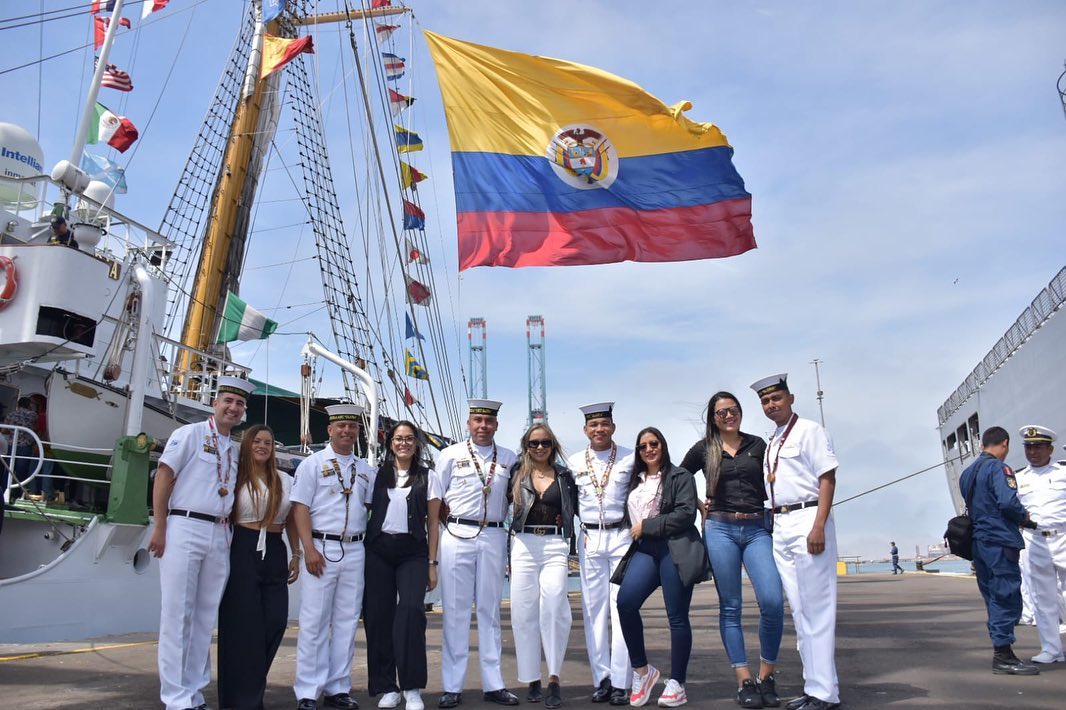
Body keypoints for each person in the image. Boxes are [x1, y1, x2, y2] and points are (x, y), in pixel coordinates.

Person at [149, 375, 255, 710]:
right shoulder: (190, 434)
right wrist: (160, 527)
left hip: (220, 532)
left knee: (205, 618)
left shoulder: (234, 449)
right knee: (177, 614)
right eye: (228, 401)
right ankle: (175, 697)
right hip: (185, 525)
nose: (233, 408)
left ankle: (194, 691)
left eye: (239, 404)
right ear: (215, 402)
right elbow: (164, 476)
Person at [681, 391, 783, 709]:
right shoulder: (704, 449)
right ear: (713, 418)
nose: (728, 416)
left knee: (772, 600)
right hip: (720, 528)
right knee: (731, 606)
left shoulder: (757, 446)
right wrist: (699, 505)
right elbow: (678, 477)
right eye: (722, 412)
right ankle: (744, 680)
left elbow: (776, 482)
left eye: (733, 410)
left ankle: (767, 676)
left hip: (756, 528)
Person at [751, 373, 839, 710]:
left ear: (790, 398)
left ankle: (826, 693)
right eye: (765, 401)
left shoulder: (810, 431)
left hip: (808, 518)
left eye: (776, 399)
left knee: (818, 609)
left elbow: (827, 477)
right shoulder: (773, 440)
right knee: (800, 611)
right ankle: (814, 686)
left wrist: (818, 526)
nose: (771, 405)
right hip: (781, 522)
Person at [428, 399, 520, 709]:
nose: (483, 426)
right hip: (457, 534)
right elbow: (436, 500)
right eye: (477, 420)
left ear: (496, 425)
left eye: (488, 421)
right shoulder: (449, 455)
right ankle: (452, 686)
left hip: (493, 534)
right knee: (454, 612)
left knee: (490, 612)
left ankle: (494, 684)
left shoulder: (508, 458)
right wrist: (449, 528)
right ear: (468, 424)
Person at [614, 427, 708, 708]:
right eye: (642, 447)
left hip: (674, 547)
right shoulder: (637, 480)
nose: (648, 450)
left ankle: (677, 682)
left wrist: (647, 526)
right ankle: (643, 671)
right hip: (645, 549)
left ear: (663, 445)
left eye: (653, 444)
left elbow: (684, 514)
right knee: (625, 603)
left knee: (676, 615)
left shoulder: (680, 476)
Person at [291, 403, 376, 710]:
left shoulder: (366, 470)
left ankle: (338, 687)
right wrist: (307, 550)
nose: (346, 431)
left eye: (352, 426)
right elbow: (299, 506)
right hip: (321, 548)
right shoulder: (312, 465)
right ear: (329, 430)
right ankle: (308, 691)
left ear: (357, 431)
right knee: (314, 622)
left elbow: (371, 507)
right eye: (340, 426)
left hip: (355, 548)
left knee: (347, 621)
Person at [217, 424, 302, 710]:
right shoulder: (236, 476)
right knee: (243, 627)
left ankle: (251, 687)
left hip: (275, 549)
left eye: (268, 441)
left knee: (275, 621)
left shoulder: (284, 480)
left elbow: (290, 519)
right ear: (248, 445)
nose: (262, 446)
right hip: (242, 546)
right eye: (257, 441)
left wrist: (296, 553)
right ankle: (242, 699)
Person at [364, 421, 438, 710]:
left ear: (416, 443)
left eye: (409, 439)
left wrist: (432, 563)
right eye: (398, 438)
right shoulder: (375, 476)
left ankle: (411, 687)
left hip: (413, 552)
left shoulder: (428, 477)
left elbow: (433, 523)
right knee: (378, 617)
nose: (403, 443)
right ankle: (386, 686)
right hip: (379, 551)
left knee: (410, 612)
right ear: (390, 442)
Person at [566, 402, 633, 706]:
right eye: (593, 425)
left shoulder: (630, 458)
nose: (599, 430)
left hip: (621, 536)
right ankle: (602, 679)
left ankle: (622, 681)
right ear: (585, 430)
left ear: (613, 427)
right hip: (590, 537)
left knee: (622, 608)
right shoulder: (574, 461)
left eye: (604, 424)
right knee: (594, 611)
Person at [959, 425, 1039, 676]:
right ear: (1004, 444)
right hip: (999, 541)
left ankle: (1002, 650)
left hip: (979, 543)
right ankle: (1003, 657)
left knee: (993, 596)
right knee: (1006, 595)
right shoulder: (999, 468)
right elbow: (1007, 502)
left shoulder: (968, 472)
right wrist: (1024, 516)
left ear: (983, 444)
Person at [507, 423, 576, 709]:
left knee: (554, 605)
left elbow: (579, 508)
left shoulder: (565, 476)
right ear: (526, 446)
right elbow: (497, 505)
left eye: (545, 443)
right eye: (534, 443)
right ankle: (532, 677)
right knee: (523, 612)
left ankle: (554, 677)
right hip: (523, 543)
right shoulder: (516, 473)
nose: (539, 448)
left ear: (553, 445)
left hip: (554, 544)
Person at [1013, 425, 1066, 664]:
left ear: (1050, 449)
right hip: (1035, 541)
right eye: (1029, 447)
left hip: (1064, 537)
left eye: (1038, 447)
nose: (1033, 452)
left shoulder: (1063, 473)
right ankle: (1052, 649)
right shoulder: (1018, 478)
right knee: (1042, 597)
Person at [3, 397, 38, 501]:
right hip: (25, 447)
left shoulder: (11, 415)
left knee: (9, 470)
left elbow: (5, 430)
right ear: (29, 405)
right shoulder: (32, 415)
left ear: (18, 405)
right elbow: (36, 428)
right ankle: (17, 495)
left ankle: (4, 491)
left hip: (12, 445)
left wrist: (13, 433)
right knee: (21, 472)